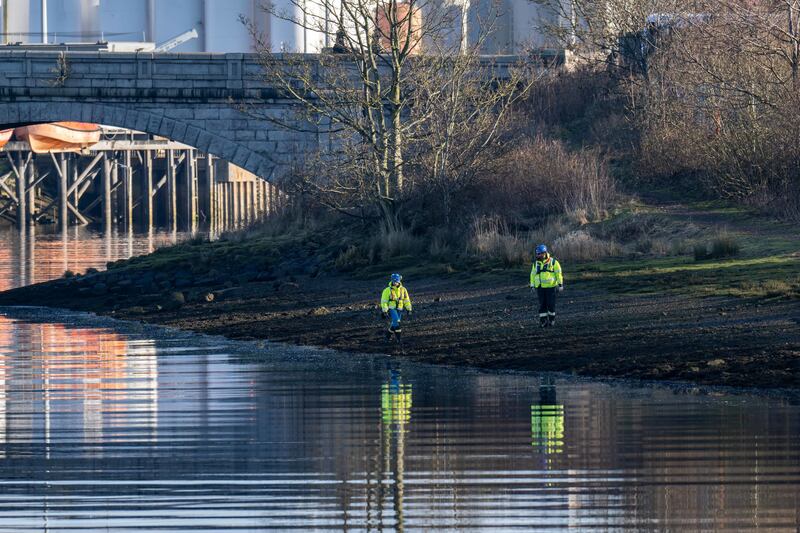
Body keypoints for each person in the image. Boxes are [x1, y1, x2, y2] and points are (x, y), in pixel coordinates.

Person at [530, 244, 563, 327]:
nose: (537, 255)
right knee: (542, 305)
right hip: (540, 288)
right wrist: (532, 286)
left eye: (539, 254)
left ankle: (552, 320)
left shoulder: (554, 262)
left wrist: (560, 284)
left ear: (544, 253)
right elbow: (532, 275)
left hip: (551, 287)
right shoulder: (535, 264)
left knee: (551, 305)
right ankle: (543, 322)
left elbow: (558, 274)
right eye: (537, 254)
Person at [380, 273, 412, 340]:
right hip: (391, 308)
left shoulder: (403, 290)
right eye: (394, 281)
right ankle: (399, 339)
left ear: (399, 281)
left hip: (399, 309)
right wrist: (385, 311)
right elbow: (384, 302)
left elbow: (406, 300)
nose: (395, 283)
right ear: (392, 281)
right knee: (396, 322)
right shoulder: (387, 290)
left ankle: (387, 337)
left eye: (396, 281)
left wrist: (409, 309)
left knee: (394, 324)